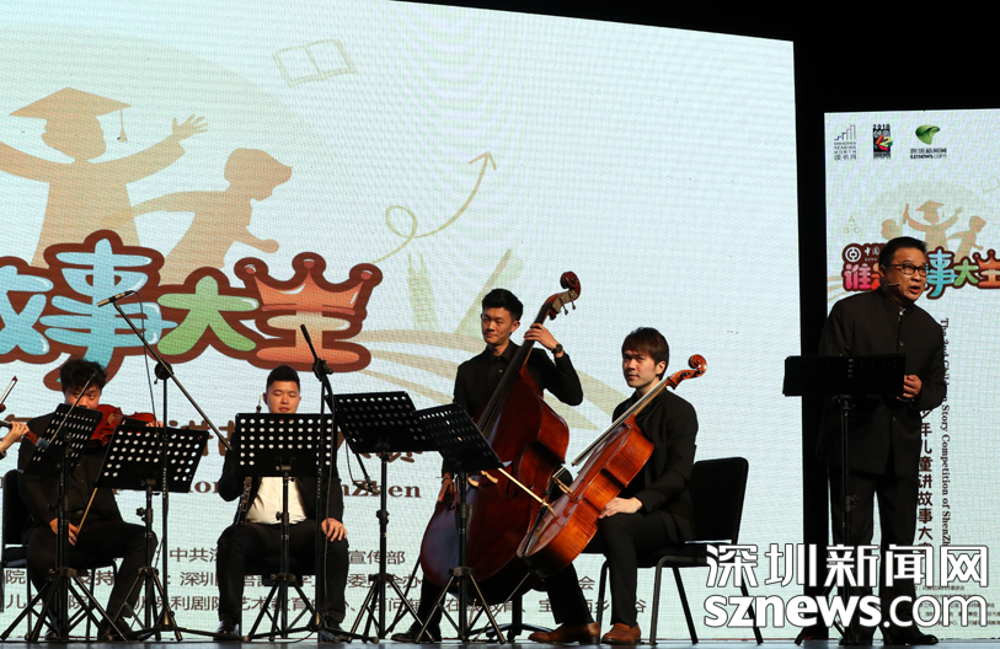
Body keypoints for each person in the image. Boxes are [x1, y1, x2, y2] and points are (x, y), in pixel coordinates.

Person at [391, 288, 584, 642]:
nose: (489, 326)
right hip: (479, 471)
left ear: (516, 326)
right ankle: (427, 624)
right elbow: (460, 427)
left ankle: (577, 620)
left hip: (525, 472)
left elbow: (574, 396)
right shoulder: (469, 371)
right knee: (445, 532)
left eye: (498, 321)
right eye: (485, 318)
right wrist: (449, 472)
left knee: (549, 530)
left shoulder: (535, 361)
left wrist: (556, 350)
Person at [527, 327, 698, 645]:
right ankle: (577, 621)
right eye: (626, 358)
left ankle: (626, 623)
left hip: (667, 517)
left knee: (616, 523)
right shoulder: (623, 411)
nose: (630, 365)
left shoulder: (680, 412)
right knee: (550, 529)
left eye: (639, 359)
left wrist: (637, 502)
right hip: (622, 513)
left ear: (660, 367)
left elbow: (679, 475)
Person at [818, 236, 945, 645]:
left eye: (922, 269)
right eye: (907, 268)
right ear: (883, 270)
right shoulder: (850, 311)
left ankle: (901, 624)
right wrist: (881, 381)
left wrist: (920, 390)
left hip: (902, 448)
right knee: (853, 541)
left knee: (901, 542)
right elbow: (829, 370)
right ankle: (858, 626)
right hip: (854, 443)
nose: (917, 276)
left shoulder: (929, 327)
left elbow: (938, 387)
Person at [17, 358, 150, 640]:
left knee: (144, 538)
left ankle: (114, 621)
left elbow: (132, 476)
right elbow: (27, 482)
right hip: (52, 524)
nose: (86, 404)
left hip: (96, 524)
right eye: (77, 394)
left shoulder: (107, 432)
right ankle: (58, 621)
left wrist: (146, 441)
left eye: (92, 396)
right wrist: (51, 520)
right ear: (64, 392)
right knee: (39, 556)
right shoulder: (38, 428)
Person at [214, 365, 348, 641]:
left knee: (334, 540)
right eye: (277, 394)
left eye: (291, 394)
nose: (284, 400)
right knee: (230, 539)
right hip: (256, 530)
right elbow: (226, 492)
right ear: (266, 398)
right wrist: (241, 465)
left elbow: (332, 481)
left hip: (302, 528)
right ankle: (229, 622)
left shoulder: (314, 437)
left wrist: (333, 517)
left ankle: (330, 621)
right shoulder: (246, 436)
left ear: (299, 399)